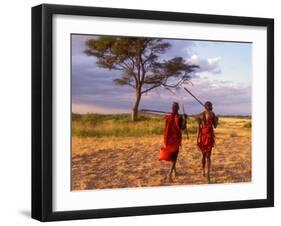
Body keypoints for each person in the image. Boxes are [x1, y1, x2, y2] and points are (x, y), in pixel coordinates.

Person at [159, 102, 187, 182]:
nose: (173, 108)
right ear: (178, 108)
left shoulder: (168, 117)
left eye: (173, 107)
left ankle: (175, 172)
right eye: (174, 107)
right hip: (175, 140)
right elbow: (183, 128)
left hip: (168, 139)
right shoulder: (179, 117)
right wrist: (185, 120)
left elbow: (166, 128)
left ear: (173, 108)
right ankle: (169, 175)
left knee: (172, 156)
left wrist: (184, 119)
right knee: (174, 158)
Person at [197, 101, 218, 183]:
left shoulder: (200, 115)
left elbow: (198, 128)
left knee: (204, 155)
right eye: (211, 106)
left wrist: (197, 138)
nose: (212, 107)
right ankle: (207, 175)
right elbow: (215, 126)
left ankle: (204, 172)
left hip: (203, 137)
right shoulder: (212, 114)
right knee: (208, 156)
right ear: (207, 106)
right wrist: (217, 119)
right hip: (208, 137)